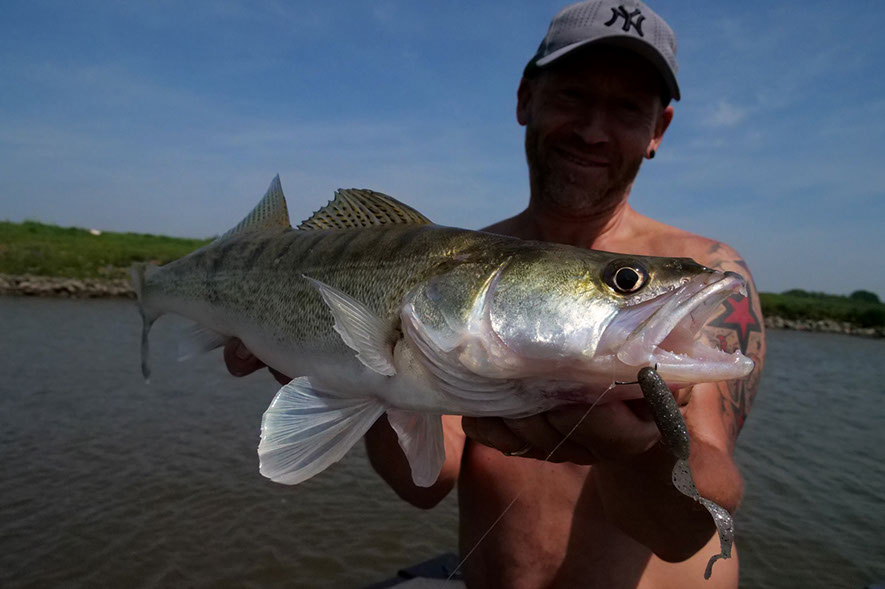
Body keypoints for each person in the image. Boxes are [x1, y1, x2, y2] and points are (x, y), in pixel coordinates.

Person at [225, 1, 766, 587]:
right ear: (525, 99)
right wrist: (353, 372)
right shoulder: (456, 272)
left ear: (658, 129)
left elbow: (683, 532)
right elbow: (424, 482)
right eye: (572, 95)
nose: (592, 130)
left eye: (627, 107)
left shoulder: (708, 272)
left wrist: (642, 451)